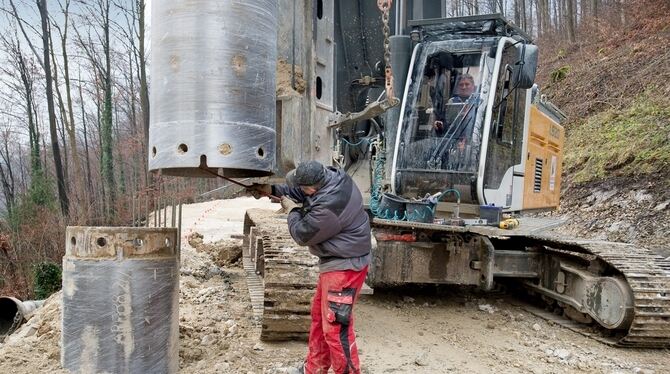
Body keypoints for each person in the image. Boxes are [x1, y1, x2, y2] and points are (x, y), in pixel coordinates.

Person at [249, 161, 371, 374]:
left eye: (305, 189)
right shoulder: (332, 177)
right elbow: (299, 190)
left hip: (346, 267)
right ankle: (314, 369)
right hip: (336, 262)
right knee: (319, 317)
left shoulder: (329, 208)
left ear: (313, 188)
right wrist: (272, 191)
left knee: (335, 327)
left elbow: (301, 234)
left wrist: (293, 211)